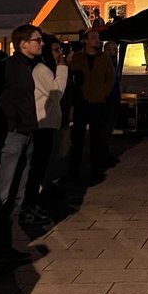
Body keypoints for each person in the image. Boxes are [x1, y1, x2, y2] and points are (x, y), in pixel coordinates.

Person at [0, 24, 42, 277]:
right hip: (11, 136)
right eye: (37, 40)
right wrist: (7, 124)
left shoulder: (26, 66)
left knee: (16, 194)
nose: (41, 44)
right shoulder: (7, 68)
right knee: (0, 195)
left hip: (25, 133)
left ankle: (3, 247)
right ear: (23, 43)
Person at [20, 35, 68, 225]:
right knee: (37, 168)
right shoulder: (41, 70)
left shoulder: (44, 69)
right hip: (42, 124)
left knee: (40, 167)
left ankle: (33, 203)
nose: (59, 54)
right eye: (55, 50)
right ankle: (29, 206)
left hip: (47, 123)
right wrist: (63, 67)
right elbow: (56, 92)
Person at [67, 28, 117, 181]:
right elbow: (69, 77)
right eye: (93, 37)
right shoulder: (77, 58)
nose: (97, 40)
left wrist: (103, 93)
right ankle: (73, 171)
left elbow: (111, 78)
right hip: (81, 103)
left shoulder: (104, 58)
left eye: (98, 37)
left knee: (97, 139)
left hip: (98, 103)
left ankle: (95, 170)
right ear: (86, 41)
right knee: (77, 139)